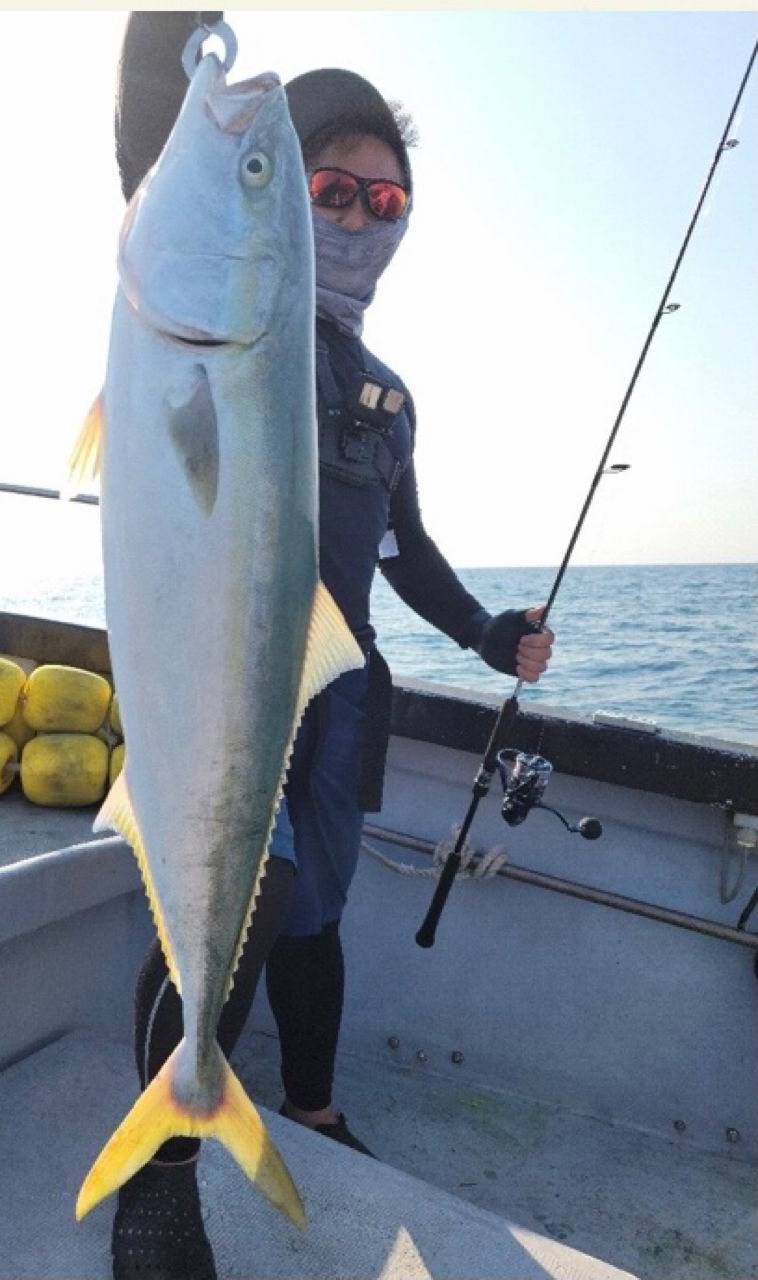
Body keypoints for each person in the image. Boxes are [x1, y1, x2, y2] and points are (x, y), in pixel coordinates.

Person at [108, 16, 555, 1280]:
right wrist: (167, 40)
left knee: (313, 913)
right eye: (329, 187)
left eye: (386, 195)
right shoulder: (224, 299)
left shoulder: (387, 393)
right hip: (227, 674)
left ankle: (305, 1107)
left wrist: (488, 630)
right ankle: (162, 1168)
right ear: (288, 203)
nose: (360, 213)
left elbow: (404, 546)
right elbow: (163, 142)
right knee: (229, 909)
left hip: (341, 686)